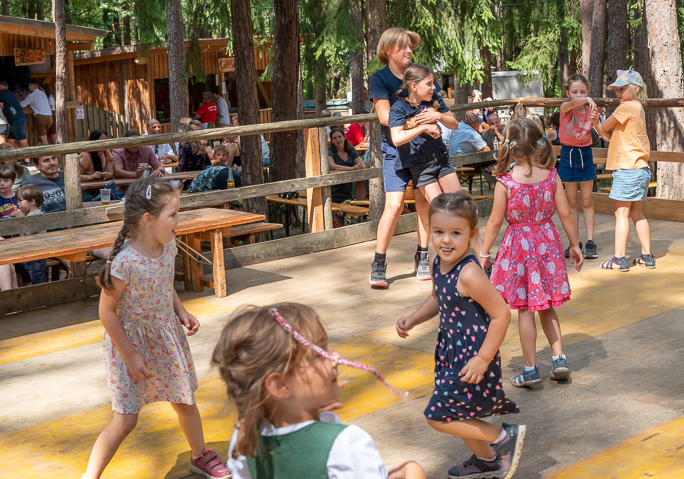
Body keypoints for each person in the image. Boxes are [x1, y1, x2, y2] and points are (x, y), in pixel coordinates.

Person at [81, 178, 230, 479]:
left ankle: (199, 454)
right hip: (129, 345)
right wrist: (130, 355)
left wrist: (180, 311)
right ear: (148, 219)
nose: (178, 220)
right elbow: (106, 312)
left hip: (165, 337)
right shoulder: (124, 263)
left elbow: (164, 283)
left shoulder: (168, 246)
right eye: (173, 214)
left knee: (184, 401)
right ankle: (90, 476)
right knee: (125, 420)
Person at [212, 304, 427, 479]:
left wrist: (311, 413)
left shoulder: (244, 437)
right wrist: (413, 472)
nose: (336, 357)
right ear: (279, 385)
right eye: (319, 354)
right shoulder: (347, 444)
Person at [395, 193, 525, 479]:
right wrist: (414, 318)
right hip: (450, 350)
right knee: (458, 412)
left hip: (473, 354)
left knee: (439, 416)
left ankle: (504, 436)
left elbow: (501, 314)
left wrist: (483, 358)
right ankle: (487, 459)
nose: (446, 240)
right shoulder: (435, 263)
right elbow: (437, 298)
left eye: (456, 233)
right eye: (438, 231)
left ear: (471, 234)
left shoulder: (469, 273)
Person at [480, 118, 583, 387]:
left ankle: (529, 369)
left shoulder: (505, 182)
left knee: (525, 309)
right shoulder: (551, 176)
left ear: (510, 147)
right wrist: (574, 244)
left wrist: (484, 252)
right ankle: (559, 359)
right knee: (547, 306)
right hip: (547, 243)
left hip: (519, 249)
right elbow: (565, 214)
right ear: (539, 145)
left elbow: (495, 222)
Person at [368, 27, 432, 289]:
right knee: (393, 206)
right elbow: (385, 118)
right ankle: (379, 262)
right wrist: (418, 121)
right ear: (388, 51)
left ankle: (423, 256)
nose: (409, 50)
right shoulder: (380, 79)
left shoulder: (419, 74)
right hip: (394, 150)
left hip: (423, 149)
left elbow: (435, 104)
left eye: (410, 46)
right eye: (403, 46)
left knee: (424, 204)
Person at [388, 63, 462, 280]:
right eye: (429, 84)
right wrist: (422, 127)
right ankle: (440, 261)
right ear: (414, 86)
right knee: (440, 212)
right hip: (420, 166)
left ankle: (477, 259)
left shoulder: (435, 101)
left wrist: (437, 116)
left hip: (441, 159)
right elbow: (396, 138)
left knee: (462, 207)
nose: (434, 88)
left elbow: (454, 124)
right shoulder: (399, 108)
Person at [595, 70, 656, 271]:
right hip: (640, 169)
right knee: (637, 213)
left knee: (621, 214)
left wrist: (597, 122)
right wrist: (596, 124)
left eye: (622, 89)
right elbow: (609, 136)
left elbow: (605, 126)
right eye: (617, 90)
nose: (618, 93)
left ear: (636, 89)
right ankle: (647, 256)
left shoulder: (626, 107)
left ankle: (618, 259)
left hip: (627, 169)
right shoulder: (637, 108)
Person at [557, 74, 599, 260]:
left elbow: (600, 128)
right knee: (572, 202)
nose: (579, 95)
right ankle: (575, 243)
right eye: (574, 92)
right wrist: (586, 99)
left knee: (587, 201)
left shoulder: (590, 110)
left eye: (583, 91)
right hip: (568, 155)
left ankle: (590, 242)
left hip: (585, 155)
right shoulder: (565, 108)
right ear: (568, 93)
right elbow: (573, 104)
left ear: (588, 91)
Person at [327, 128, 368, 208]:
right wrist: (351, 169)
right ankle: (358, 208)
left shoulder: (351, 149)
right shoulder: (330, 151)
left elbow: (363, 164)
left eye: (339, 137)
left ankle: (360, 208)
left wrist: (359, 166)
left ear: (344, 137)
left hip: (351, 183)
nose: (338, 140)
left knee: (361, 179)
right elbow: (332, 166)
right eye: (335, 138)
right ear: (332, 141)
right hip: (336, 184)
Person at [0, 80, 29, 149]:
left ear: (0, 87)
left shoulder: (1, 93)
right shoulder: (10, 93)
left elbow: (1, 107)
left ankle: (29, 156)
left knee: (23, 141)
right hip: (20, 118)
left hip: (16, 119)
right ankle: (20, 154)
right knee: (10, 140)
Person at [21, 80, 54, 145]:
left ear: (32, 86)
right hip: (49, 117)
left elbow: (22, 105)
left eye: (29, 86)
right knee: (42, 138)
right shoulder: (43, 93)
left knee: (44, 140)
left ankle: (49, 151)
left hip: (41, 117)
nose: (28, 87)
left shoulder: (31, 95)